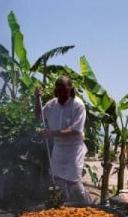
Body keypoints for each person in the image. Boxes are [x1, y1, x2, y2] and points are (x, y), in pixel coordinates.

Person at [35, 76, 91, 205]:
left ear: (71, 90)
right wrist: (37, 99)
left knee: (73, 182)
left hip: (74, 149)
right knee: (58, 181)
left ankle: (88, 206)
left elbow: (76, 130)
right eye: (59, 91)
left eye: (65, 91)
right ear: (56, 91)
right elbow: (39, 116)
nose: (62, 94)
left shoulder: (78, 105)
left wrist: (52, 133)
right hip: (58, 149)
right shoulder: (52, 104)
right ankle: (63, 209)